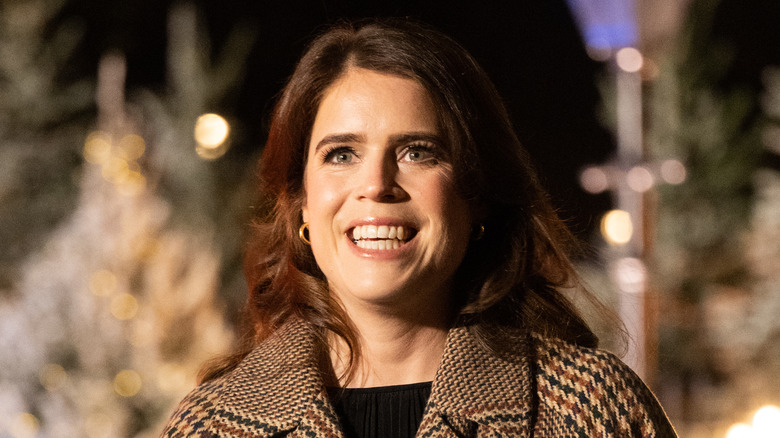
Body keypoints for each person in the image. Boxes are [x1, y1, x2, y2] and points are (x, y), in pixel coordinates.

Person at [161, 18, 677, 437]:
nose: (377, 185)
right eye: (341, 154)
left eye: (417, 151)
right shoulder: (212, 425)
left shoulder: (592, 413)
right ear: (300, 204)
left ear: (477, 198)